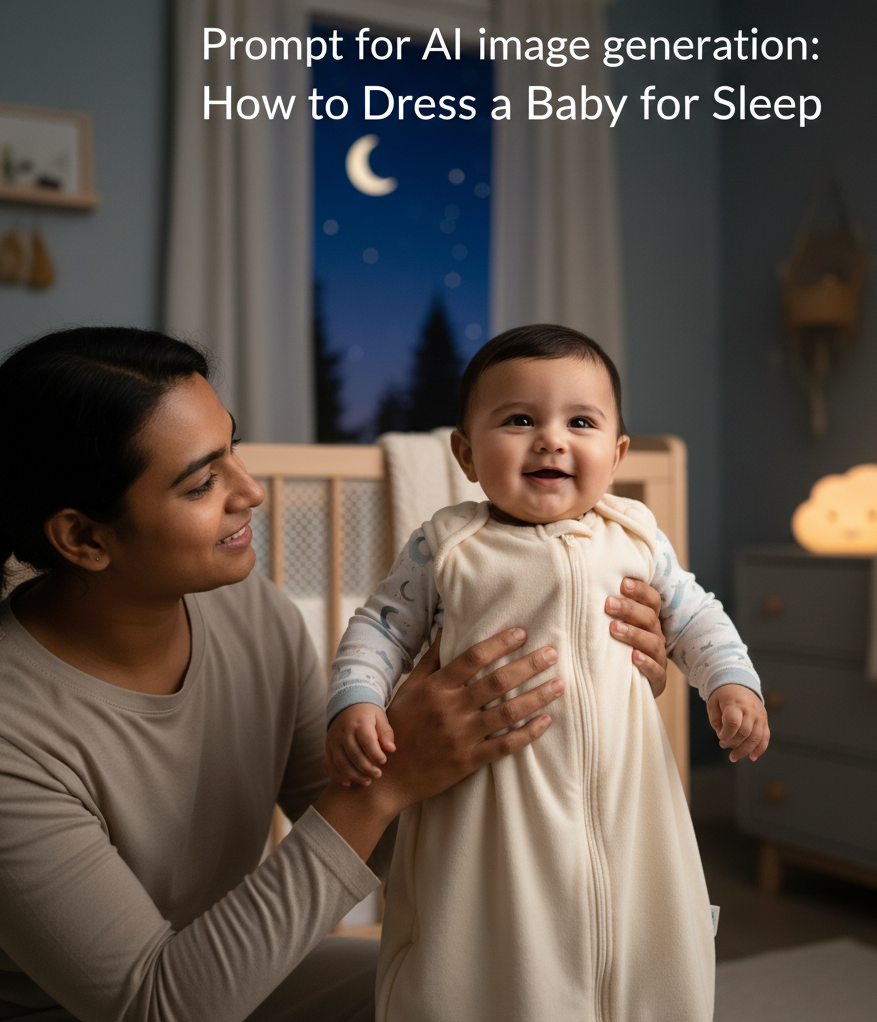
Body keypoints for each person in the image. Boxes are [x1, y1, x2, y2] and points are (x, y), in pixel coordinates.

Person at [0, 326, 669, 1022]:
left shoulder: (248, 613)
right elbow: (155, 1006)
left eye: (232, 449)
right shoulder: (14, 733)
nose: (251, 491)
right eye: (203, 482)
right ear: (82, 537)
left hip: (224, 975)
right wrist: (388, 782)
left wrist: (592, 698)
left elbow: (375, 837)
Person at [325, 325, 771, 1022]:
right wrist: (357, 700)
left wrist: (732, 683)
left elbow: (695, 617)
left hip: (627, 798)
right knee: (481, 958)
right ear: (467, 455)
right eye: (520, 419)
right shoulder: (450, 545)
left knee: (640, 944)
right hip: (487, 806)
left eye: (581, 422)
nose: (551, 439)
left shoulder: (635, 536)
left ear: (617, 454)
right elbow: (381, 627)